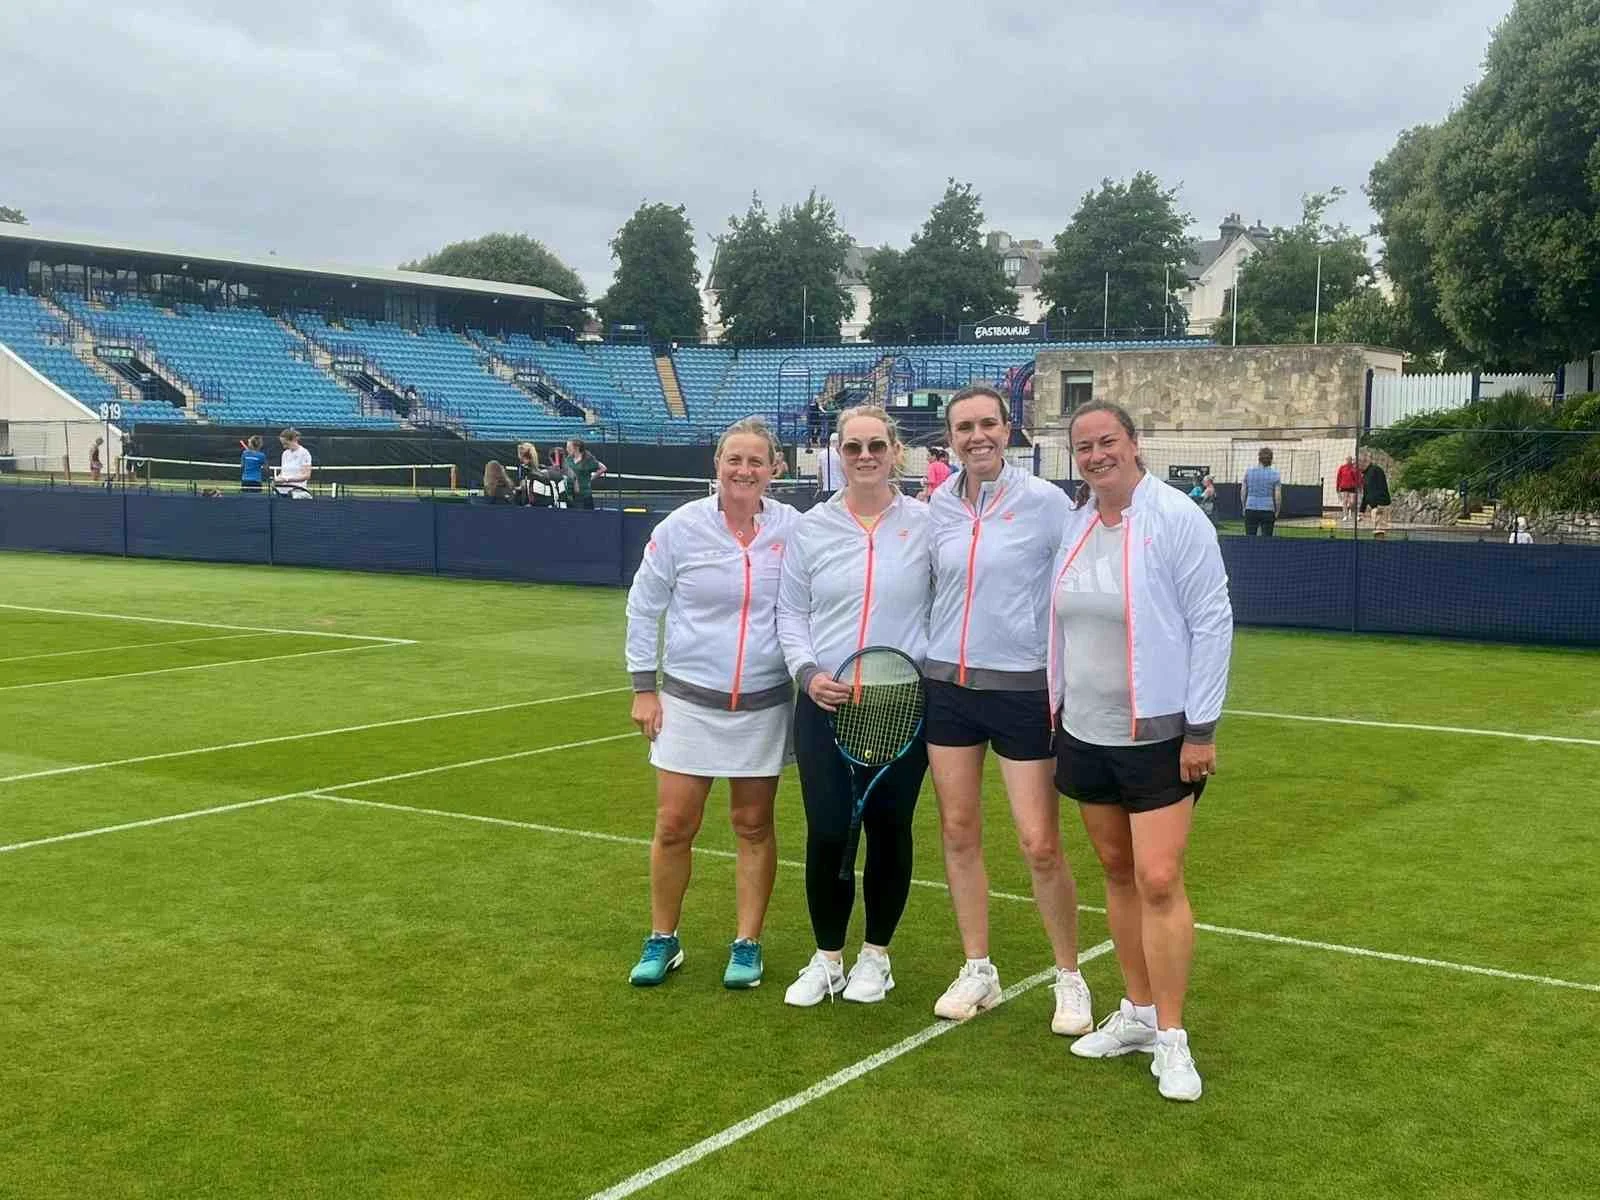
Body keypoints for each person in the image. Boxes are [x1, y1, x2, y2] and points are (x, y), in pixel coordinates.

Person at [1048, 400, 1233, 1103]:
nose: (1097, 456)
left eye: (1108, 442)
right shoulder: (1074, 525)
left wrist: (1201, 727)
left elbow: (1212, 624)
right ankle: (1138, 1014)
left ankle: (1174, 1037)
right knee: (1118, 872)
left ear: (1134, 444)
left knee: (1159, 878)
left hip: (1158, 735)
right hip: (1085, 732)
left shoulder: (1178, 519)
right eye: (1085, 447)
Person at [922, 384, 1092, 1034]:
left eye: (987, 423)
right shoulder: (936, 506)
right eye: (964, 427)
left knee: (1039, 842)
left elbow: (1077, 587)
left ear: (1008, 428)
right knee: (959, 832)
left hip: (1023, 690)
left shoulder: (1047, 505)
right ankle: (978, 968)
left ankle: (1069, 977)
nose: (977, 436)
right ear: (950, 438)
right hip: (949, 689)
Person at [624, 417, 800, 990]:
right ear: (717, 466)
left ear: (774, 469)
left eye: (756, 461)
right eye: (734, 460)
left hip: (765, 704)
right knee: (674, 825)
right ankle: (663, 938)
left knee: (752, 825)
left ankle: (747, 944)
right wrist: (643, 687)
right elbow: (643, 605)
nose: (744, 471)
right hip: (689, 702)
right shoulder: (680, 528)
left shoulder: (795, 530)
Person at [777, 404, 932, 1007]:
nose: (864, 457)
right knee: (826, 831)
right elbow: (791, 612)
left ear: (896, 451)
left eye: (876, 445)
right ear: (837, 453)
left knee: (890, 829)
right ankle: (828, 958)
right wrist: (808, 673)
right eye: (852, 447)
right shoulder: (810, 528)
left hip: (903, 705)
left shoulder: (925, 523)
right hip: (826, 703)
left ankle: (877, 957)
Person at [1242, 447, 1281, 536]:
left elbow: (1243, 492)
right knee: (1266, 540)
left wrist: (1244, 506)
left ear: (1259, 458)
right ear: (1271, 459)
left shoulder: (1249, 472)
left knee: (1250, 538)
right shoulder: (1275, 474)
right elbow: (1278, 496)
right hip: (1268, 509)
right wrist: (1277, 511)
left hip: (1251, 507)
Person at [564, 438, 607, 511]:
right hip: (570, 495)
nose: (567, 449)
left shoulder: (588, 459)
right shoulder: (568, 459)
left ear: (576, 448)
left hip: (584, 495)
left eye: (569, 447)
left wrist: (591, 478)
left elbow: (603, 468)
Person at [514, 442, 560, 507]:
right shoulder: (540, 467)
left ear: (521, 455)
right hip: (542, 501)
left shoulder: (523, 468)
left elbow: (524, 487)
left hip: (530, 502)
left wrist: (513, 489)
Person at [273, 429, 313, 499]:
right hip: (282, 491)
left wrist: (287, 479)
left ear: (293, 440)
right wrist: (277, 479)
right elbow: (283, 473)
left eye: (286, 443)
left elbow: (306, 475)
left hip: (297, 491)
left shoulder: (304, 453)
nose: (284, 446)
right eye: (283, 444)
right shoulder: (285, 454)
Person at [1360, 454, 1392, 538]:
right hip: (1374, 507)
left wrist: (1380, 504)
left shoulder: (1376, 470)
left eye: (1359, 463)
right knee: (1377, 530)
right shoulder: (1365, 475)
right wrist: (1361, 510)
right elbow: (1365, 493)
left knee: (1379, 530)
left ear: (1365, 462)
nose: (1358, 467)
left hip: (1380, 505)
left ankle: (1380, 546)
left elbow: (1382, 487)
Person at [816, 431, 844, 501]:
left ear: (830, 441)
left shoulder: (822, 454)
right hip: (841, 489)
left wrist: (820, 487)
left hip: (827, 489)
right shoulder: (842, 454)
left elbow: (819, 473)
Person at [1336, 455, 1361, 524]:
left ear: (1351, 460)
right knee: (1345, 501)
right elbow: (1338, 477)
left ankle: (1352, 512)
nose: (1348, 461)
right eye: (1347, 459)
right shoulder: (1342, 468)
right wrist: (1337, 487)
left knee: (1352, 502)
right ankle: (1345, 515)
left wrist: (1359, 486)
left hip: (1352, 487)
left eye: (1349, 460)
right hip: (1344, 486)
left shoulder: (1354, 468)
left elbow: (1358, 477)